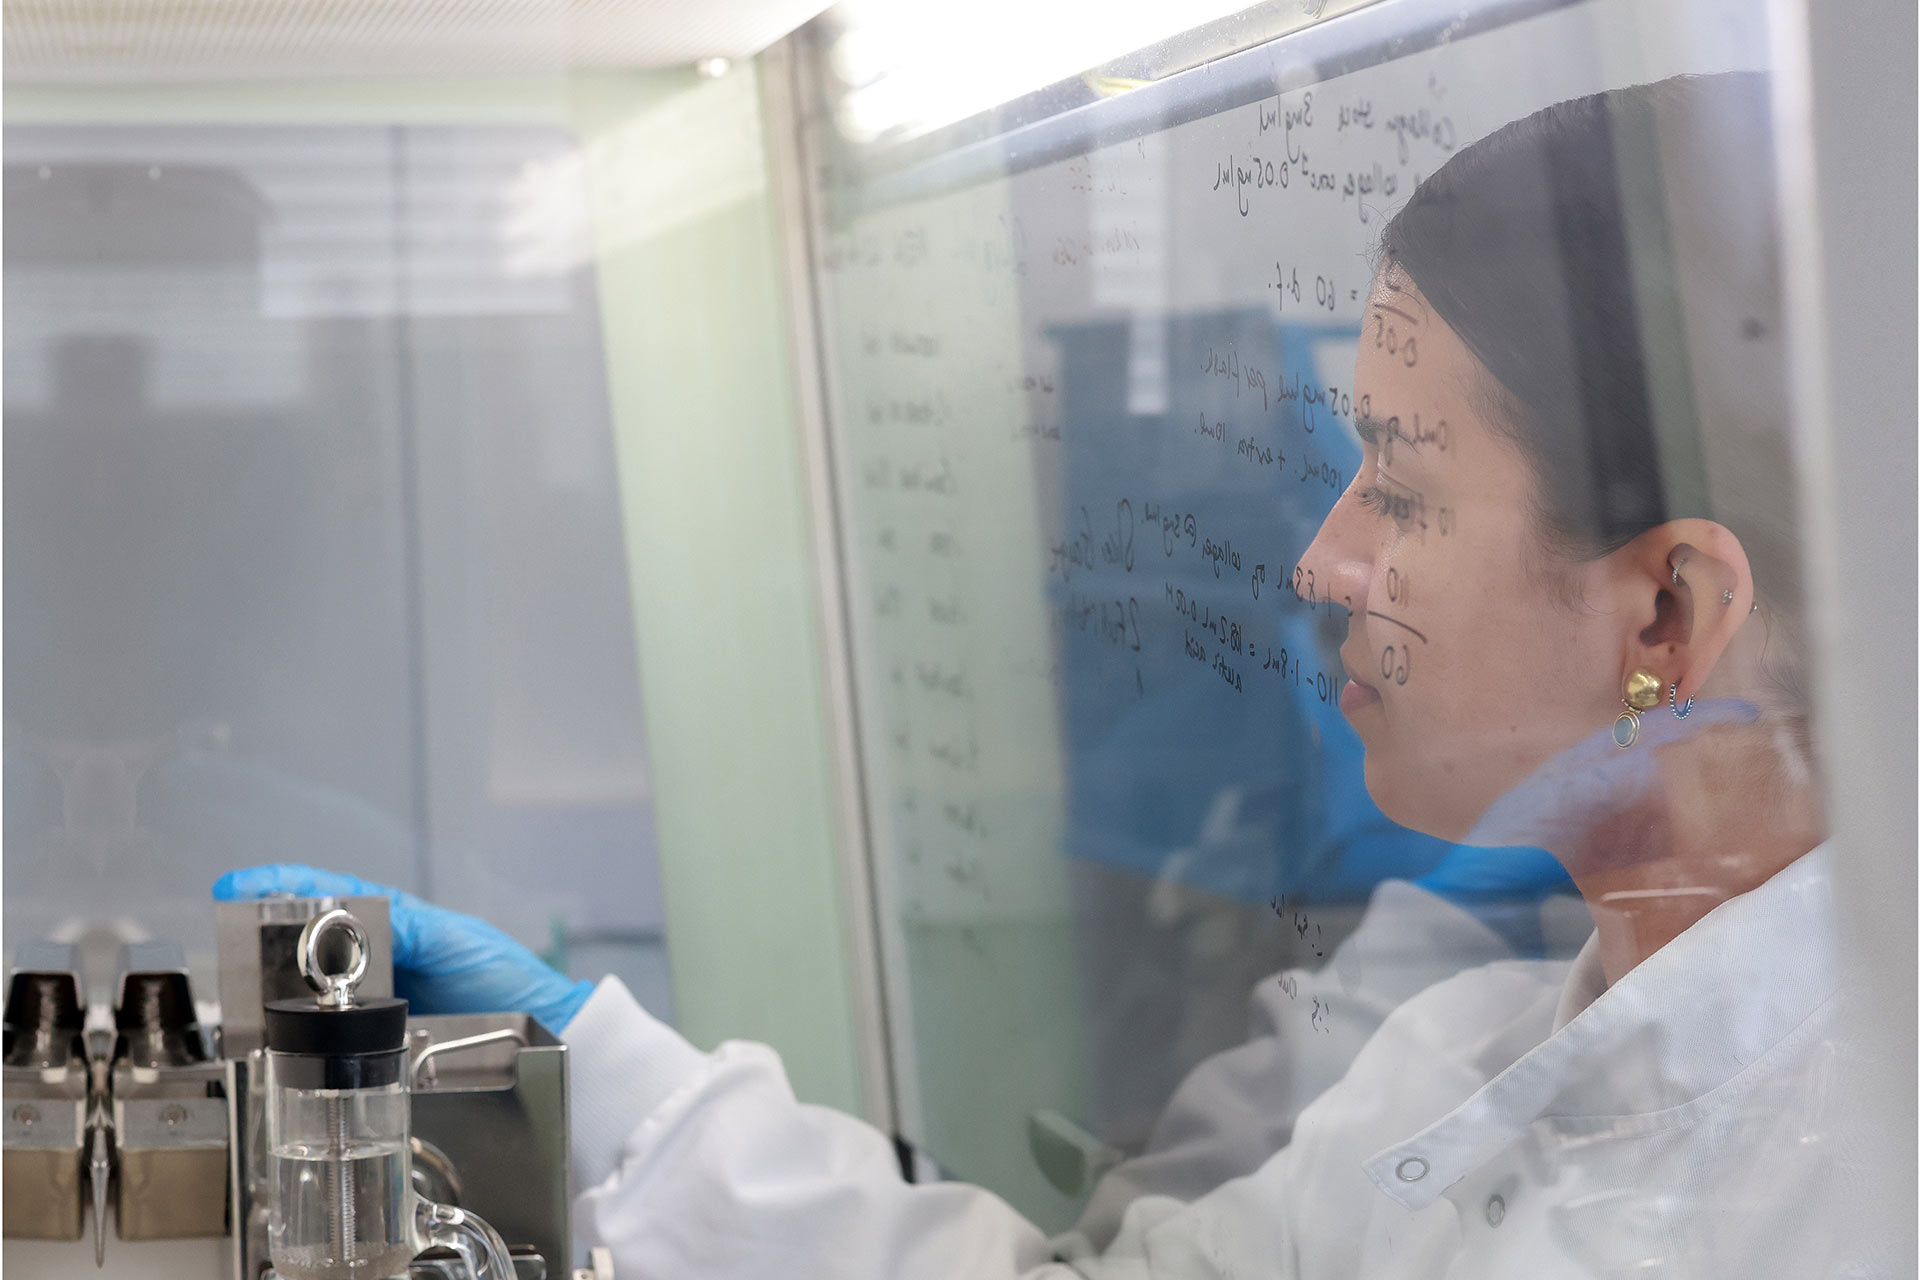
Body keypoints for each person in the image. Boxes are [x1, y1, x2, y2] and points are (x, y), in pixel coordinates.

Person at [217, 73, 1890, 1277]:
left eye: (1399, 479)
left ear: (1667, 614)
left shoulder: (1860, 1173)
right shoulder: (1462, 1068)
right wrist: (608, 1075)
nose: (1323, 558)